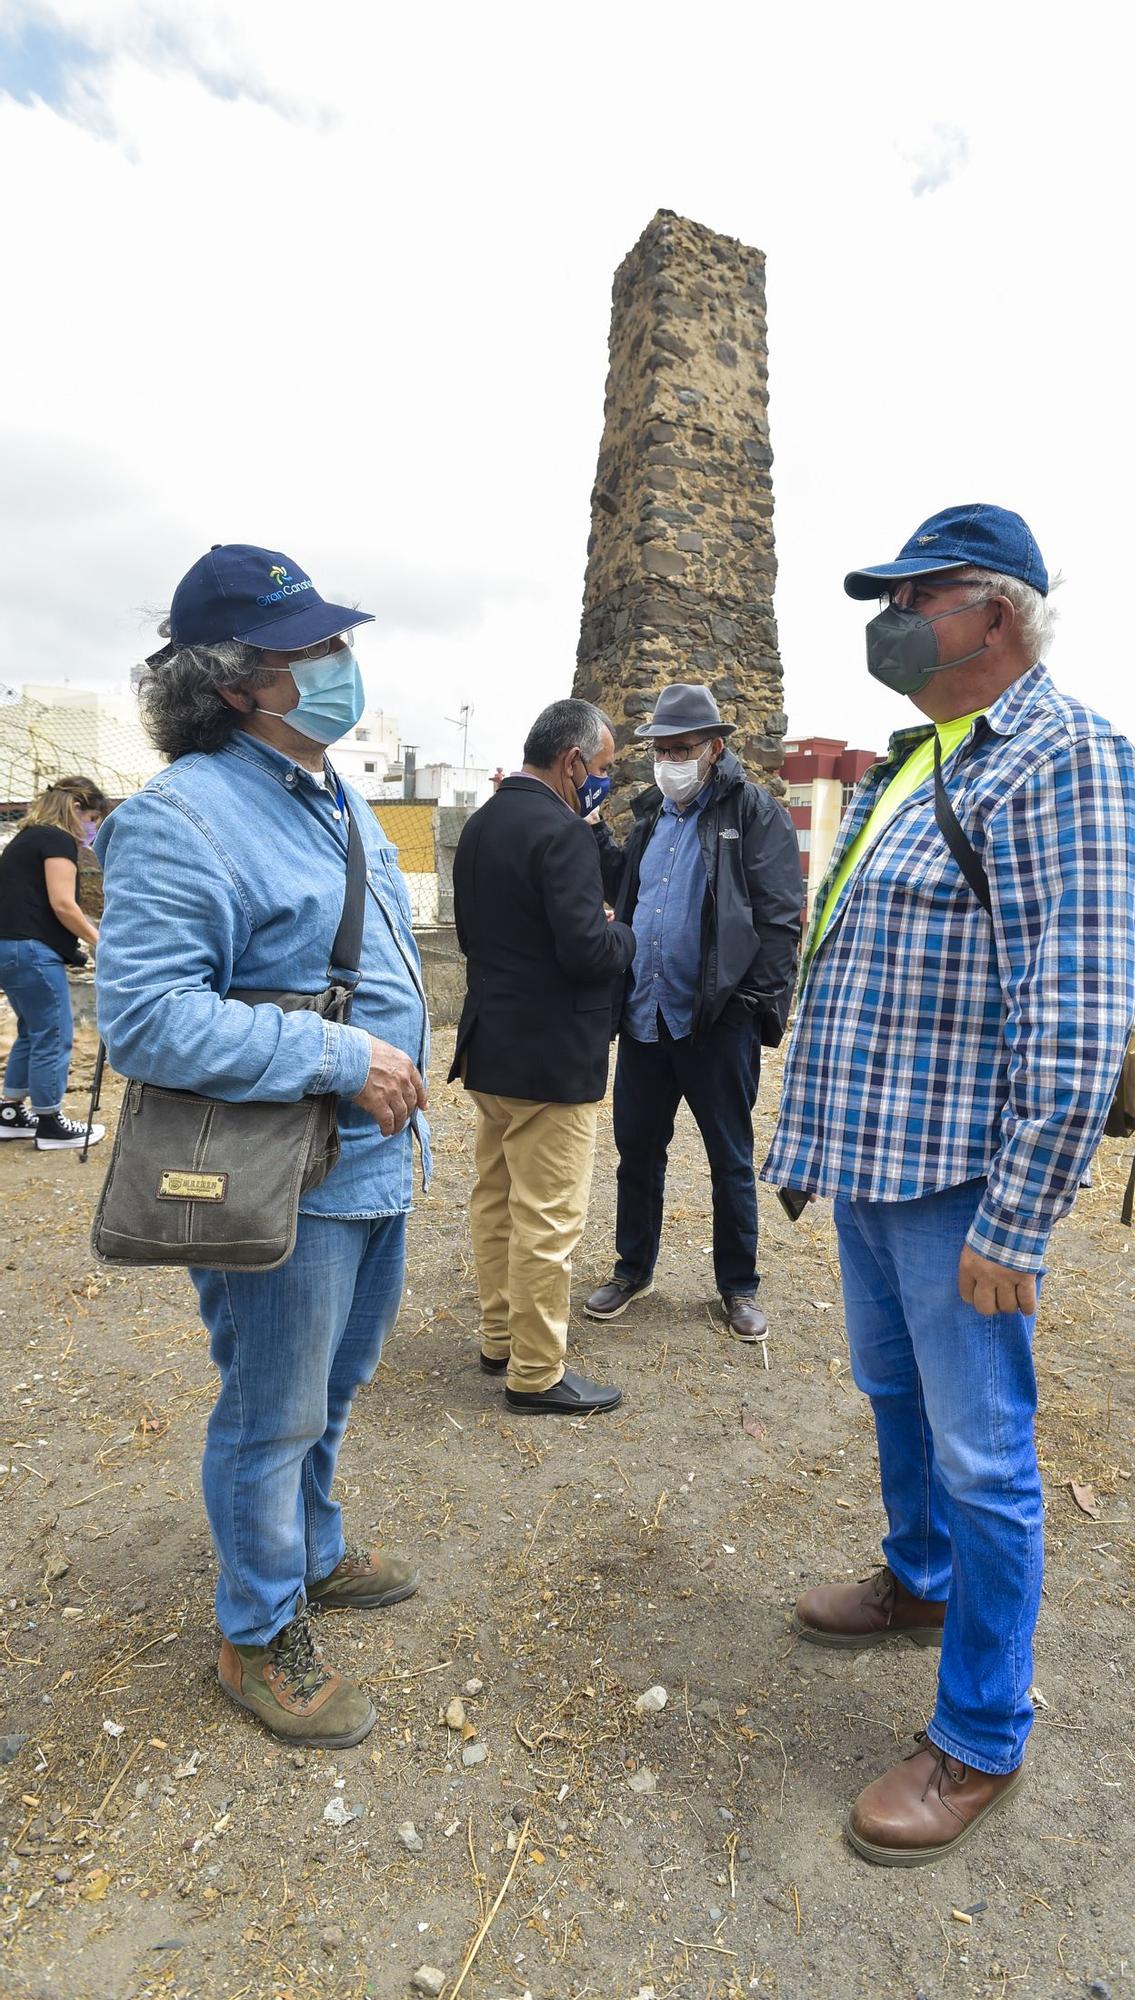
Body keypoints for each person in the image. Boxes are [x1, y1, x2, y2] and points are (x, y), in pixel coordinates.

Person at [763, 505, 1135, 1864]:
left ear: (992, 615)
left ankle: (979, 1734)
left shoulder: (1066, 760)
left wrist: (1017, 1214)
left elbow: (1071, 1008)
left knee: (985, 1454)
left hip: (957, 1186)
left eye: (911, 595)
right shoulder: (915, 762)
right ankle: (919, 1583)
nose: (887, 619)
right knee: (891, 1397)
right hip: (875, 1168)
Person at [95, 544, 430, 1749]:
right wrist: (343, 1059)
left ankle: (315, 1548)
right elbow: (142, 1017)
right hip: (285, 1170)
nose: (342, 663)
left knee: (332, 1388)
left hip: (370, 1162)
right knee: (272, 1407)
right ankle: (255, 1625)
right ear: (238, 682)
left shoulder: (327, 790)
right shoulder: (181, 816)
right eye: (314, 648)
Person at [583, 684, 803, 1343]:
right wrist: (593, 829)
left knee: (729, 1157)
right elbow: (624, 883)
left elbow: (777, 919)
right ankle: (631, 1269)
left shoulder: (752, 810)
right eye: (659, 749)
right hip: (646, 1017)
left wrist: (746, 1005)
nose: (669, 759)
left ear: (715, 748)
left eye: (682, 749)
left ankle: (738, 1287)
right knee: (636, 1153)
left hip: (714, 1022)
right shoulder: (651, 813)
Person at [450, 698, 636, 1414]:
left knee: (495, 1200)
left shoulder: (484, 822)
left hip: (490, 1044)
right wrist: (624, 934)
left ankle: (499, 1337)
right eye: (604, 769)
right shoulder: (562, 833)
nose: (604, 782)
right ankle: (536, 1372)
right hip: (552, 1057)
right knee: (549, 1220)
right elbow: (588, 952)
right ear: (572, 763)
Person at [0, 776, 108, 1149]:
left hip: (9, 949)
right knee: (55, 1033)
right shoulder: (56, 839)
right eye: (93, 817)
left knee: (33, 1030)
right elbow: (63, 904)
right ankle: (50, 1123)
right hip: (31, 951)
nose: (92, 827)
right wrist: (100, 942)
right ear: (77, 809)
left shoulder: (26, 838)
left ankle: (10, 1112)